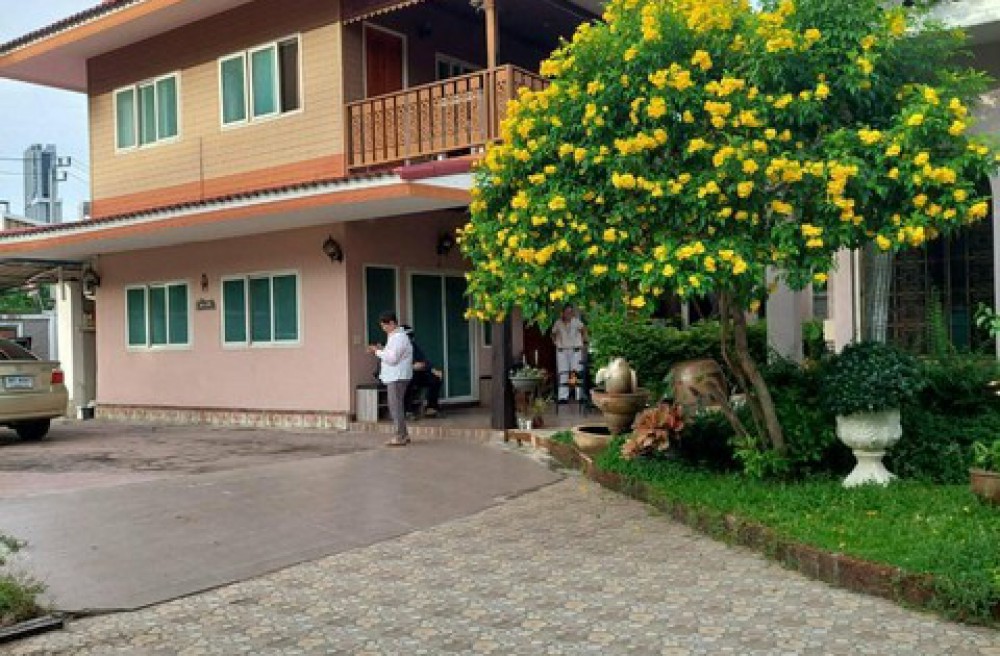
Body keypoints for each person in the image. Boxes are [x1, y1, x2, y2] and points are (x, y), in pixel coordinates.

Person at [367, 311, 413, 446]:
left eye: (384, 325)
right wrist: (381, 350)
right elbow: (391, 354)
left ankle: (400, 436)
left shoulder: (399, 338)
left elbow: (392, 359)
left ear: (392, 323)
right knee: (395, 406)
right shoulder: (394, 337)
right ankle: (403, 434)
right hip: (394, 376)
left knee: (395, 407)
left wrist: (377, 351)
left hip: (397, 376)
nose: (383, 328)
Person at [401, 325, 442, 418]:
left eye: (411, 337)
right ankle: (407, 410)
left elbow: (424, 360)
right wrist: (411, 366)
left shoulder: (413, 346)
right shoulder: (396, 347)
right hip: (401, 376)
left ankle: (431, 408)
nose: (410, 339)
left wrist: (432, 369)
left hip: (416, 373)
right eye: (408, 337)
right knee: (409, 379)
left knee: (435, 378)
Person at [551, 304, 588, 403]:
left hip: (575, 350)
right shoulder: (558, 323)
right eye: (567, 312)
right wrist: (555, 342)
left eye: (571, 312)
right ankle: (563, 397)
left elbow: (584, 329)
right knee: (563, 373)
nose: (569, 314)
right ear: (563, 313)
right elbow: (553, 333)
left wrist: (584, 341)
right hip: (562, 351)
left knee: (575, 372)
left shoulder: (576, 321)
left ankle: (579, 396)